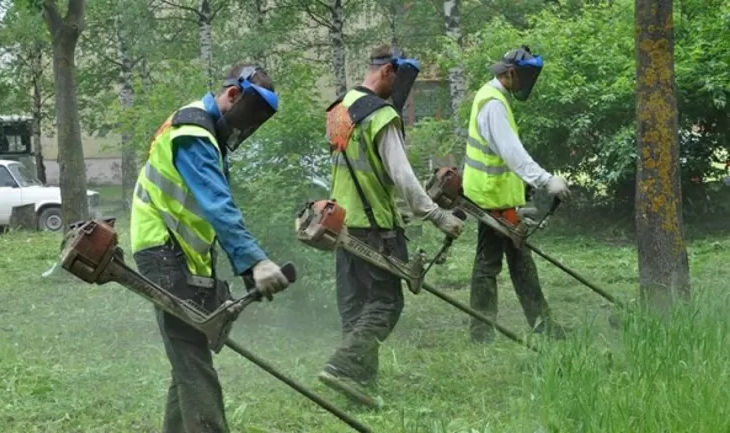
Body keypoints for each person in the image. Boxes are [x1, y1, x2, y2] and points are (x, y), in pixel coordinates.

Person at [130, 63, 291, 433]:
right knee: (193, 359)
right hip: (164, 251)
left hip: (178, 253)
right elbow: (218, 205)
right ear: (232, 95)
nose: (246, 127)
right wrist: (256, 261)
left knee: (188, 358)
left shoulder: (200, 132)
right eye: (248, 115)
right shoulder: (194, 132)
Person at [319, 44, 465, 406]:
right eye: (398, 82)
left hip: (340, 223)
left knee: (355, 308)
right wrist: (437, 215)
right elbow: (402, 175)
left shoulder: (340, 109)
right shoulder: (381, 115)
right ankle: (343, 366)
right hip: (374, 226)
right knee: (385, 303)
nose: (400, 92)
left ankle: (359, 390)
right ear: (386, 72)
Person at [463, 45, 572, 343]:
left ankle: (538, 324)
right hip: (490, 197)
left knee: (516, 256)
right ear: (510, 73)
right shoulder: (494, 104)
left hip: (495, 195)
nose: (526, 84)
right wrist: (546, 180)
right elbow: (512, 153)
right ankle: (483, 332)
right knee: (490, 263)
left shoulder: (493, 96)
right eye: (524, 77)